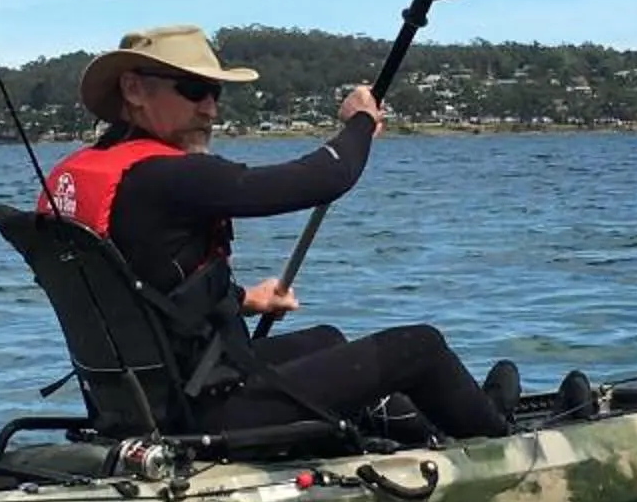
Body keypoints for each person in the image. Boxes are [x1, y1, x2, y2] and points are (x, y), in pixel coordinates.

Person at [37, 25, 520, 440]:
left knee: (326, 339)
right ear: (134, 89)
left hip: (142, 403)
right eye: (192, 90)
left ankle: (416, 429)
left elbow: (142, 288)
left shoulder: (86, 174)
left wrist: (247, 299)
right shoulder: (169, 176)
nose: (210, 109)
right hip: (204, 410)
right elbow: (321, 180)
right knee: (420, 347)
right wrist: (357, 125)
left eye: (215, 92)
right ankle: (501, 437)